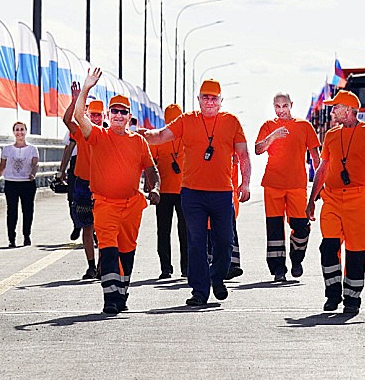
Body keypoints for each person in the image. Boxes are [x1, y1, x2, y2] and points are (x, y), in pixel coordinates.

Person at [141, 79, 251, 307]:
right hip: (192, 193)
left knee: (225, 241)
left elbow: (243, 155)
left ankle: (217, 277)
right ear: (198, 99)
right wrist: (142, 134)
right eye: (205, 97)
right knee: (196, 243)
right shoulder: (187, 120)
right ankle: (199, 291)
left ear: (221, 101)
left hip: (222, 193)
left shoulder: (231, 122)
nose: (210, 102)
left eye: (214, 98)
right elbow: (161, 135)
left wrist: (246, 183)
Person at [74, 68, 160, 315]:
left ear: (129, 116)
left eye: (124, 112)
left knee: (127, 251)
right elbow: (79, 115)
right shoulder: (98, 135)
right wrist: (87, 88)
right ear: (109, 115)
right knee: (109, 248)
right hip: (105, 204)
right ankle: (110, 297)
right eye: (115, 111)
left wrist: (154, 188)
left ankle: (122, 293)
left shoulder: (138, 141)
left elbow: (151, 169)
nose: (119, 115)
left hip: (132, 205)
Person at [306, 90, 365, 315]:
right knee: (329, 247)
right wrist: (312, 199)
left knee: (356, 251)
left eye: (336, 107)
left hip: (358, 198)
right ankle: (333, 294)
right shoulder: (332, 135)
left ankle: (352, 298)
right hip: (331, 197)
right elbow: (322, 169)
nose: (332, 111)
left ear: (349, 110)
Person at [255, 92, 322, 282]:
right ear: (273, 106)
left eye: (284, 106)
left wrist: (320, 184)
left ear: (291, 104)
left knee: (301, 226)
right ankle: (278, 270)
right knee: (275, 229)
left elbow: (316, 157)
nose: (281, 110)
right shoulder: (268, 126)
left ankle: (297, 258)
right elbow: (258, 149)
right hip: (272, 184)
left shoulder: (304, 126)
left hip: (297, 185)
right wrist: (273, 136)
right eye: (277, 106)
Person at [63, 82, 105, 279]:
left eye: (99, 115)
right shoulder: (80, 132)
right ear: (87, 115)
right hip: (82, 184)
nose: (95, 118)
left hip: (103, 185)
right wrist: (75, 100)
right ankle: (91, 266)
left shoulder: (108, 135)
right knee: (87, 226)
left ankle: (103, 265)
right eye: (92, 114)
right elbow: (67, 119)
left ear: (104, 116)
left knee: (103, 227)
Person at [150, 103, 188, 279]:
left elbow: (149, 165)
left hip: (180, 190)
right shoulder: (164, 137)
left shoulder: (165, 137)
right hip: (171, 191)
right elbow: (150, 163)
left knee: (168, 231)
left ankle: (172, 268)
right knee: (178, 231)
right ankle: (173, 268)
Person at [0, 121, 39, 248]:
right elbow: (2, 167)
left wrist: (33, 174)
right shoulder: (7, 149)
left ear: (26, 131)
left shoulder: (32, 149)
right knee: (12, 211)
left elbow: (35, 164)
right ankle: (11, 238)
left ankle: (27, 235)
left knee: (27, 211)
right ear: (13, 132)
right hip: (11, 183)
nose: (19, 132)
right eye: (17, 130)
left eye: (22, 129)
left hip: (27, 183)